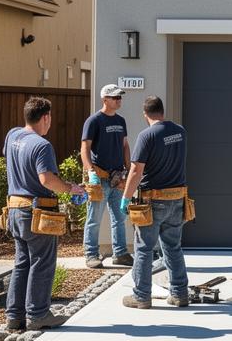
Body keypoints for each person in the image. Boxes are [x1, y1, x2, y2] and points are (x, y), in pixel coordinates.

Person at [3, 96, 85, 331]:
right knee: (42, 262)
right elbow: (46, 179)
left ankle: (14, 316)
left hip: (15, 209)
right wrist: (71, 189)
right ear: (46, 117)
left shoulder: (12, 136)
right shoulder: (42, 145)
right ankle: (38, 315)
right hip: (37, 211)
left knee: (22, 263)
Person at [119, 96, 190, 309]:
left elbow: (136, 170)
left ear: (145, 114)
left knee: (144, 249)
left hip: (153, 201)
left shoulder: (146, 135)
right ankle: (179, 294)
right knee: (173, 247)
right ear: (162, 111)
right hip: (177, 198)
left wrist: (125, 198)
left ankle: (141, 296)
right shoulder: (180, 132)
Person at [80, 84, 132, 269]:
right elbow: (84, 148)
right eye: (115, 97)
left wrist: (128, 170)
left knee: (119, 217)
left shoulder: (121, 121)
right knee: (94, 218)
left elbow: (125, 146)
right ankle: (91, 254)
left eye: (120, 97)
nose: (119, 100)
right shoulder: (94, 121)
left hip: (118, 178)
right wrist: (90, 172)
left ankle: (120, 254)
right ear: (105, 100)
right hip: (100, 177)